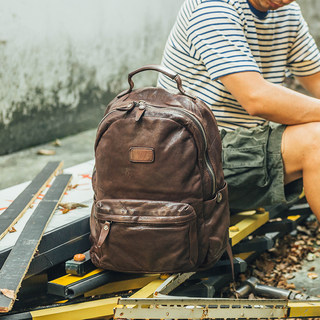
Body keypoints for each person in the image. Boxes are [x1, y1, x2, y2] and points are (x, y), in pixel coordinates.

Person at [158, 0, 320, 221]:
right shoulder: (213, 6)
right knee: (316, 142)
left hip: (239, 148)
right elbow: (257, 99)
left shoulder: (287, 13)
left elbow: (315, 78)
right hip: (193, 156)